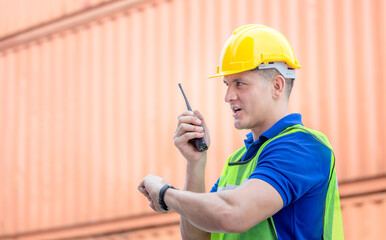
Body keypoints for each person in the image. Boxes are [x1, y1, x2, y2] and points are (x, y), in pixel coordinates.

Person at [138, 24, 343, 240]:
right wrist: (196, 164)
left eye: (239, 83)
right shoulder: (239, 161)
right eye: (226, 84)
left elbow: (233, 214)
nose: (228, 96)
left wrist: (165, 194)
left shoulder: (302, 147)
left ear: (277, 86)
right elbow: (197, 237)